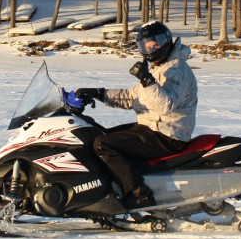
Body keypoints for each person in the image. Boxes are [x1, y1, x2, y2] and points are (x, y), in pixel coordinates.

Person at [72, 21, 198, 209]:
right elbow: (132, 97)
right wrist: (99, 93)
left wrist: (147, 80)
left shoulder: (176, 69)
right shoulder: (159, 66)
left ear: (165, 41)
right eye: (145, 45)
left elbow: (166, 105)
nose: (150, 49)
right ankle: (110, 188)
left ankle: (139, 194)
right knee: (98, 135)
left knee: (103, 145)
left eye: (154, 44)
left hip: (168, 135)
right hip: (152, 128)